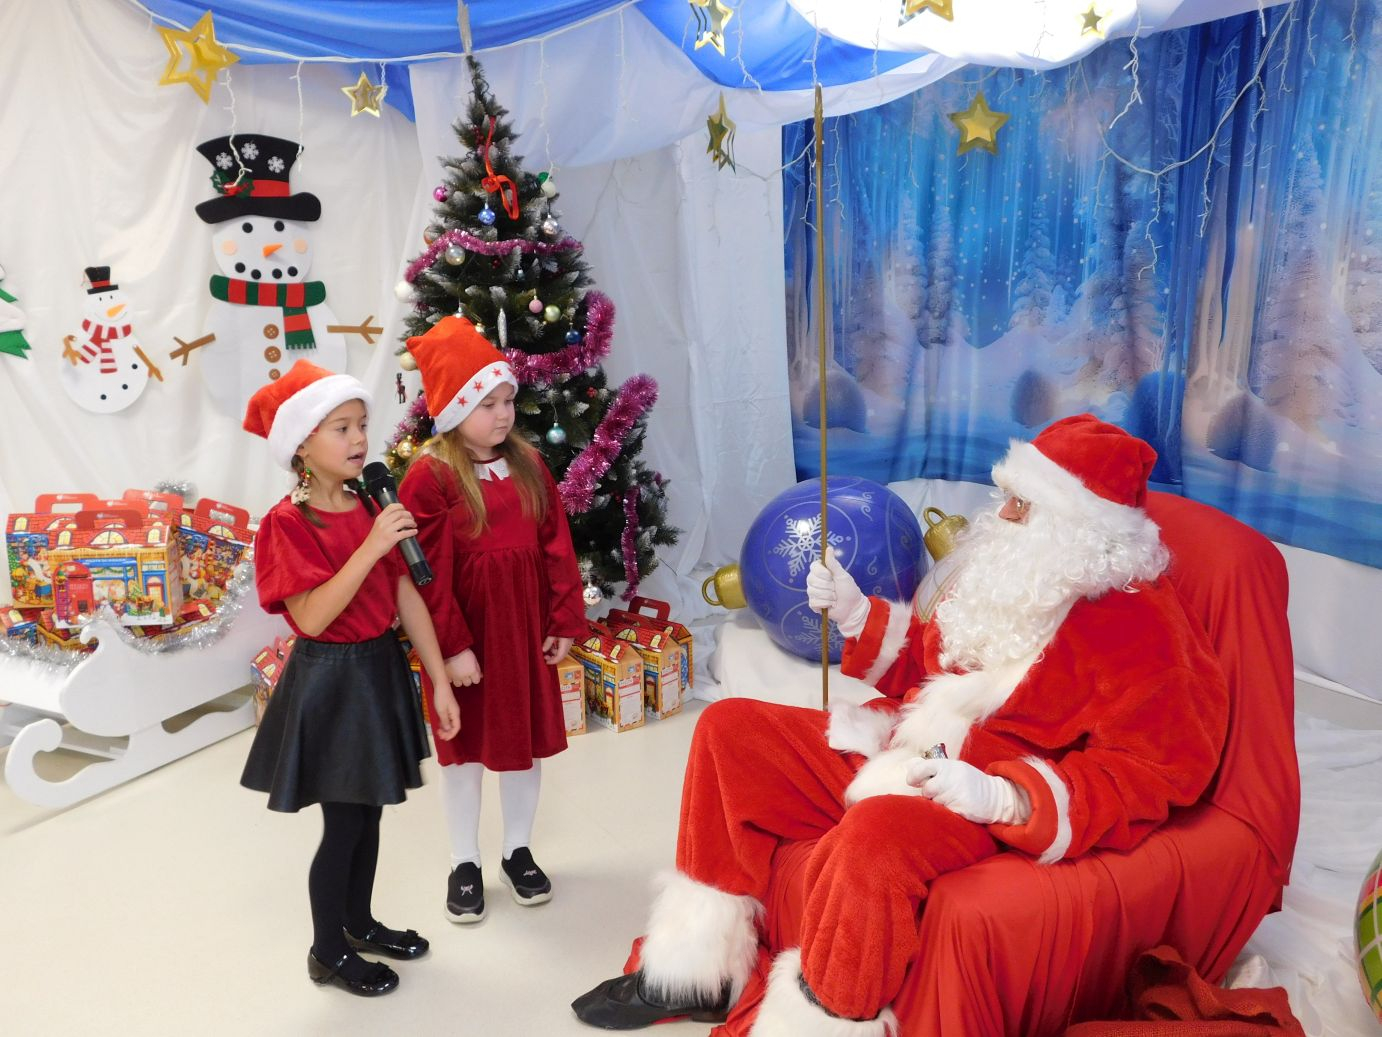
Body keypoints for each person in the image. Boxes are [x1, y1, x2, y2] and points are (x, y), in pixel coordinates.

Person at [572, 414, 1229, 1036]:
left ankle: (825, 1016)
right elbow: (932, 666)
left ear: (1079, 529)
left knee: (875, 838)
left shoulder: (1144, 629)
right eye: (1008, 495)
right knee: (729, 729)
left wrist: (1008, 796)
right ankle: (697, 969)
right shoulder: (1021, 579)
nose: (1001, 514)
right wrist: (860, 616)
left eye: (1022, 504)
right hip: (910, 741)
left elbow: (1157, 770)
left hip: (979, 796)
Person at [239, 358, 461, 998]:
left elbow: (404, 594)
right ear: (302, 446)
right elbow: (311, 616)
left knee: (370, 815)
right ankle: (327, 951)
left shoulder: (370, 502)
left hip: (377, 669)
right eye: (341, 428)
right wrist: (370, 546)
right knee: (343, 824)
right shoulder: (288, 523)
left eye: (362, 424)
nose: (360, 439)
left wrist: (439, 677)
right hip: (332, 680)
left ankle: (358, 923)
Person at [398, 316, 585, 924]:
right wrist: (452, 647)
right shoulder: (431, 476)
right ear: (455, 408)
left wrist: (563, 619)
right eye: (487, 404)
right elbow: (426, 574)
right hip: (471, 636)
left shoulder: (528, 463)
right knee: (465, 752)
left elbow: (556, 546)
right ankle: (464, 860)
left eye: (508, 401)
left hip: (523, 630)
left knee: (522, 745)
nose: (504, 415)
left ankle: (517, 850)